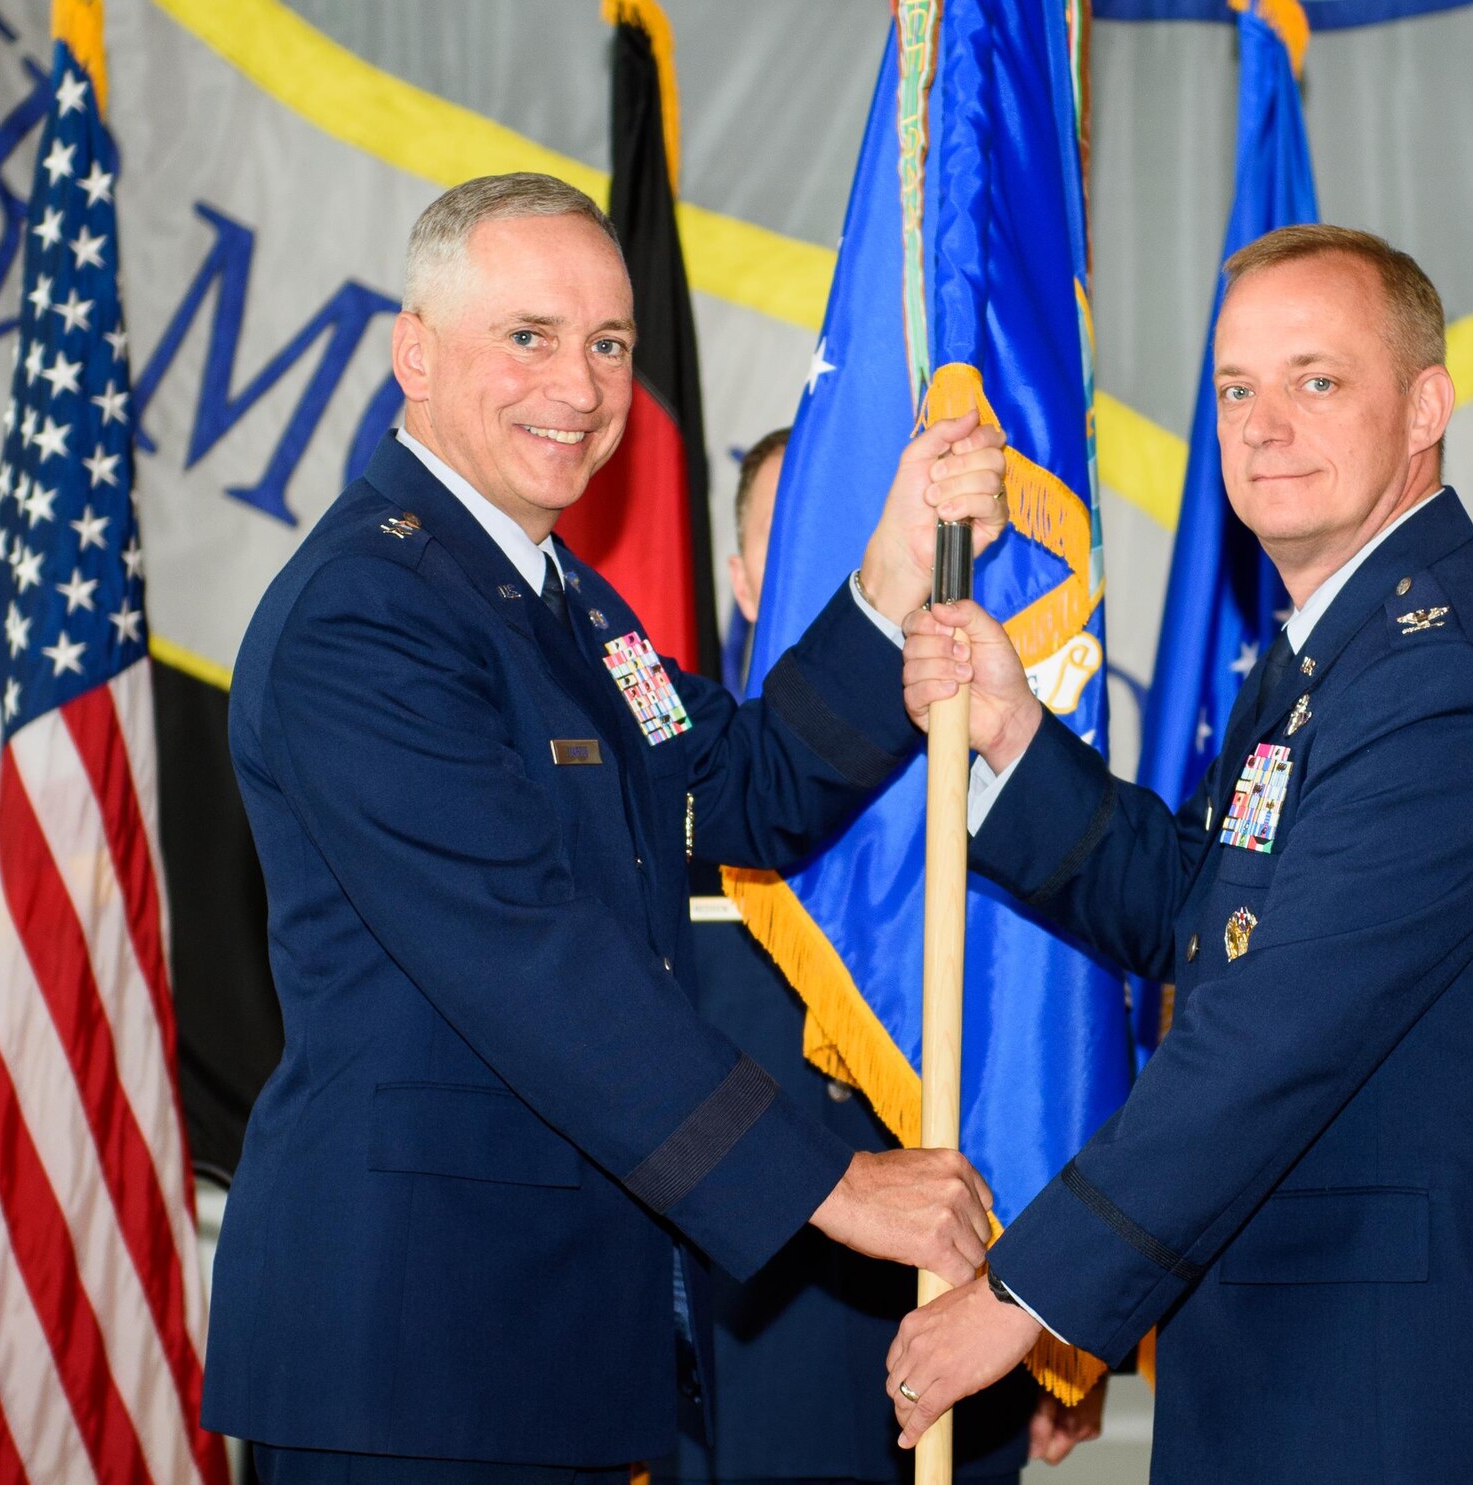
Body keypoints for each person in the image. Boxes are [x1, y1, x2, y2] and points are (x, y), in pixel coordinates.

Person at [204, 172, 1014, 1483]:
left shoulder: (565, 606)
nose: (579, 388)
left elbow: (736, 788)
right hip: (412, 1358)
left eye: (610, 346)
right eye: (528, 337)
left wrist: (889, 572)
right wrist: (834, 1181)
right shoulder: (371, 613)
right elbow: (534, 960)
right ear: (416, 351)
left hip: (548, 1348)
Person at [890, 225, 1473, 1483]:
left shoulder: (1439, 682)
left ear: (1425, 405)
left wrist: (1020, 1297)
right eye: (1234, 389)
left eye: (1315, 380)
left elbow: (1269, 1032)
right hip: (1300, 1370)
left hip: (1390, 1400)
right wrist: (1011, 733)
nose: (1262, 424)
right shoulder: (1336, 650)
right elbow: (1206, 917)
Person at [669, 432, 1099, 1485]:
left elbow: (1054, 1039)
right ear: (736, 575)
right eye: (794, 543)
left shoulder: (975, 786)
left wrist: (1067, 1326)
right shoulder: (681, 777)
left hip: (954, 1305)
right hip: (731, 1311)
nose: (827, 580)